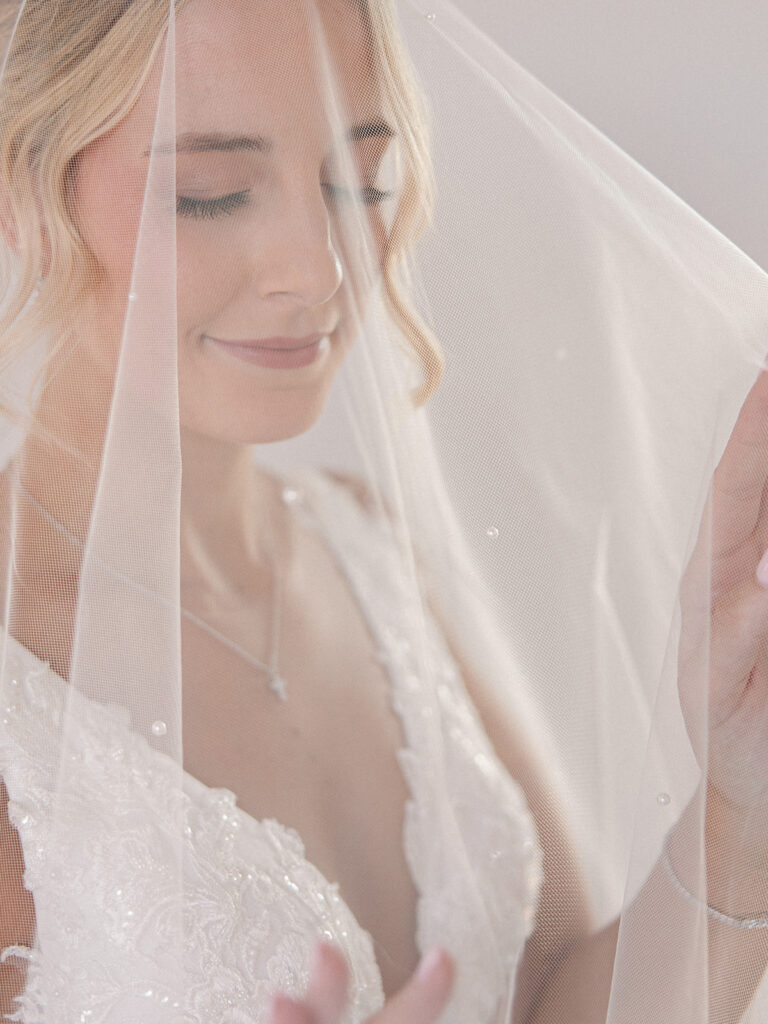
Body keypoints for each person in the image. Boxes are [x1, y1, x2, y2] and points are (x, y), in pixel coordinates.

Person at [1, 1, 768, 1022]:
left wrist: (735, 815)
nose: (319, 268)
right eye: (212, 193)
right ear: (23, 191)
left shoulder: (361, 549)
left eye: (355, 181)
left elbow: (543, 1003)